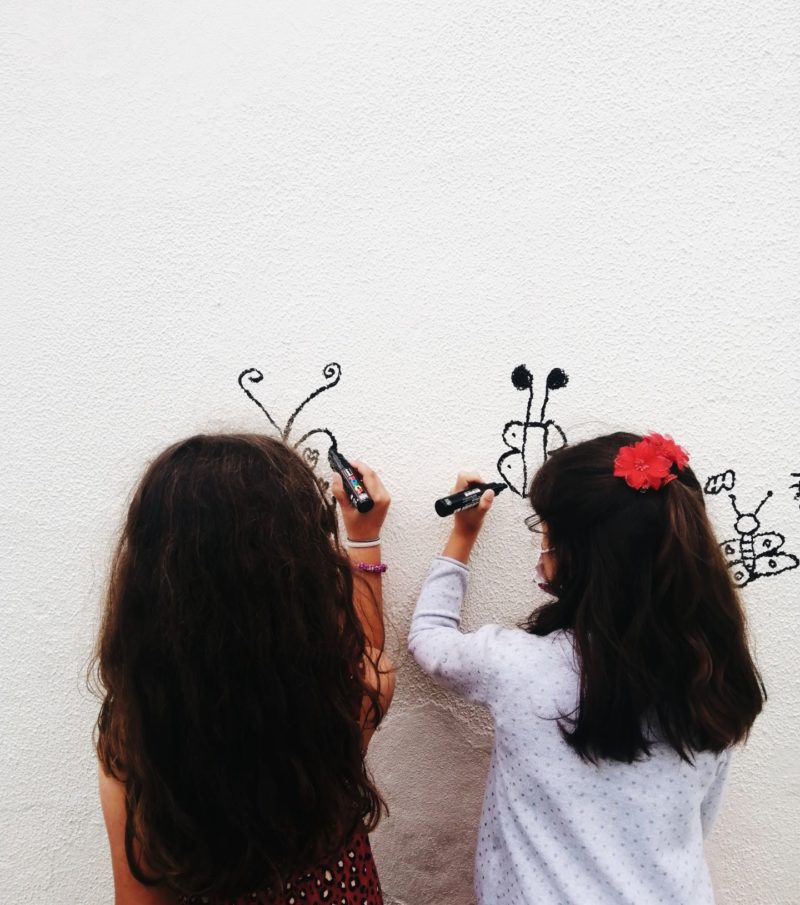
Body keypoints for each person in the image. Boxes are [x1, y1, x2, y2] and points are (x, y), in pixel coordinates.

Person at [409, 432, 765, 905]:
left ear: (577, 555)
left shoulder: (519, 665)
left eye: (545, 529)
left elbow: (429, 636)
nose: (542, 542)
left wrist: (463, 534)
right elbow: (697, 824)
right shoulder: (712, 676)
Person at [92, 434, 394, 904]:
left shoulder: (135, 740)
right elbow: (368, 649)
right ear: (301, 578)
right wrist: (364, 539)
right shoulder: (353, 692)